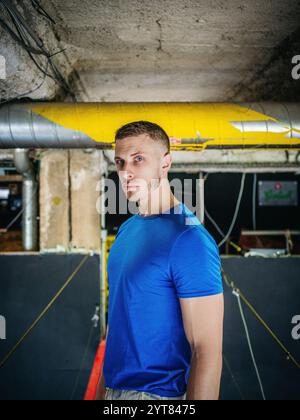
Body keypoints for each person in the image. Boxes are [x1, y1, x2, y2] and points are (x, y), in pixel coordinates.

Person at [95, 121, 224, 400]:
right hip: (114, 392)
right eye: (120, 162)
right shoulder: (127, 232)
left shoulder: (189, 240)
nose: (126, 172)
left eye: (138, 159)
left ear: (165, 163)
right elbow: (118, 326)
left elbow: (207, 351)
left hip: (158, 396)